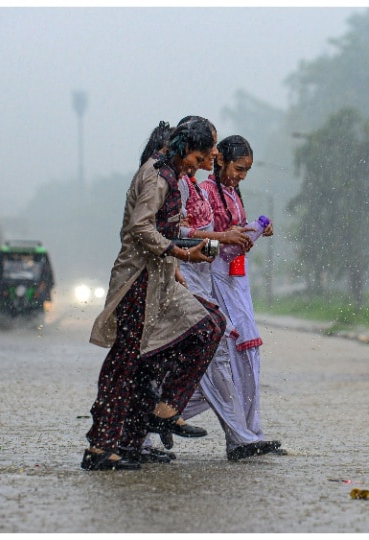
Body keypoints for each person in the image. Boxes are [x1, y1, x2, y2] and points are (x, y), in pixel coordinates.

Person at [81, 118, 226, 471]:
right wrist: (181, 254)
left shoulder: (173, 175)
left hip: (160, 278)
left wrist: (176, 264)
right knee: (126, 363)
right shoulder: (158, 176)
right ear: (184, 148)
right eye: (200, 156)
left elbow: (165, 227)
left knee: (208, 325)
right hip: (137, 282)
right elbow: (139, 227)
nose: (203, 163)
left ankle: (160, 414)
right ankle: (102, 447)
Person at [177, 134, 282, 461]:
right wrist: (225, 240)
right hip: (208, 280)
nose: (241, 176)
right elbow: (181, 238)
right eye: (238, 168)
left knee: (239, 363)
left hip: (232, 279)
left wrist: (250, 231)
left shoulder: (218, 190)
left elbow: (216, 239)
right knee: (225, 363)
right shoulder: (196, 189)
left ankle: (248, 434)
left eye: (246, 171)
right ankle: (150, 422)